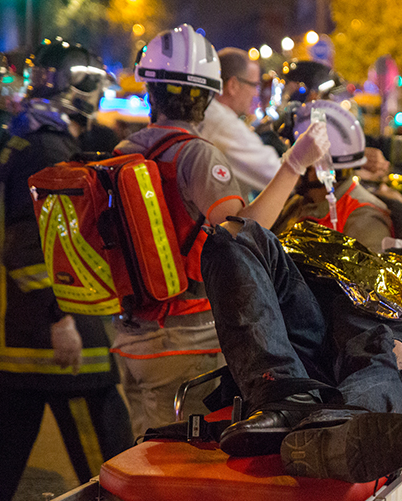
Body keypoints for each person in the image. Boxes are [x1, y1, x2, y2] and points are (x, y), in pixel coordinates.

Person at [110, 24, 329, 438]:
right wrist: (294, 165)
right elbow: (243, 235)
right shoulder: (195, 155)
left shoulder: (127, 150)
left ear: (150, 89)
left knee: (141, 456)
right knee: (177, 469)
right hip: (184, 339)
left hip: (131, 337)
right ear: (207, 95)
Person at [200, 217, 402, 484]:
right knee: (236, 235)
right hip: (321, 327)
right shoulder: (378, 265)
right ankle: (284, 395)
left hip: (388, 346)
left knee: (384, 342)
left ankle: (344, 428)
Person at [0, 39, 133, 501]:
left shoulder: (21, 137)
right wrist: (62, 320)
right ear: (83, 88)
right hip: (57, 340)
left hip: (20, 337)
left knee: (5, 455)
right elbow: (26, 245)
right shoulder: (47, 151)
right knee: (108, 466)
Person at [272, 99, 394, 252]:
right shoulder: (299, 203)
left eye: (294, 154)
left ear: (316, 166)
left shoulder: (363, 217)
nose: (286, 161)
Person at [197, 47, 282, 198]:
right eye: (254, 85)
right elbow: (275, 174)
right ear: (233, 85)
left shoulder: (206, 112)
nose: (256, 92)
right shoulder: (222, 123)